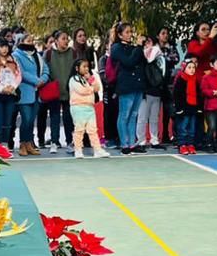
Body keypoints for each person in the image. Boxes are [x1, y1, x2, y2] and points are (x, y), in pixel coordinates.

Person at [110, 21, 146, 155]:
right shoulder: (116, 48)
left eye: (131, 32)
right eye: (127, 32)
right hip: (126, 85)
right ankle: (124, 143)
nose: (130, 34)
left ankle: (132, 143)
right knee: (124, 114)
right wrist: (138, 47)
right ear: (120, 35)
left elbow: (142, 62)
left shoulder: (133, 47)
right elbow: (129, 62)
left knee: (134, 114)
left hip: (138, 84)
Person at [13, 31, 49, 156]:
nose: (31, 43)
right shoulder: (16, 55)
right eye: (28, 41)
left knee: (31, 120)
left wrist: (43, 80)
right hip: (24, 92)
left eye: (32, 41)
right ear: (21, 42)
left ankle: (29, 144)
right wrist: (36, 81)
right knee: (26, 119)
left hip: (37, 93)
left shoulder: (37, 55)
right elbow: (21, 72)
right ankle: (22, 144)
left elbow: (45, 69)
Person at [44, 30, 77, 152]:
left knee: (68, 118)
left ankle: (70, 142)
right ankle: (54, 142)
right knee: (54, 117)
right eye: (63, 39)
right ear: (56, 41)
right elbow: (44, 70)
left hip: (69, 90)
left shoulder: (73, 52)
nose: (66, 41)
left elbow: (77, 68)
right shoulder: (48, 53)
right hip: (54, 90)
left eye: (67, 38)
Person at [68, 58, 108, 159]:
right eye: (84, 67)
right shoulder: (73, 79)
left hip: (90, 107)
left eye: (87, 67)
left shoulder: (89, 78)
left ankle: (97, 149)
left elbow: (97, 88)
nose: (86, 69)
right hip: (78, 107)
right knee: (79, 129)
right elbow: (82, 90)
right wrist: (91, 88)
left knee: (93, 130)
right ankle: (78, 149)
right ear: (77, 68)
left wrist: (91, 79)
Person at [137, 37, 166, 149]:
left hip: (156, 91)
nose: (147, 44)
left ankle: (154, 140)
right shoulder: (141, 57)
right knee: (142, 118)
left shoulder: (159, 57)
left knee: (154, 118)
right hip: (145, 92)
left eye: (149, 42)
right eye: (145, 43)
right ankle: (141, 141)